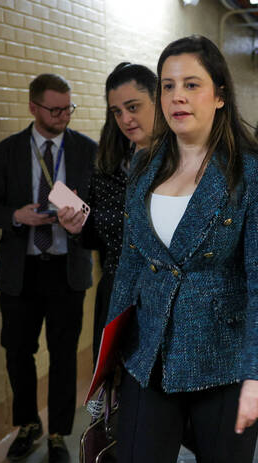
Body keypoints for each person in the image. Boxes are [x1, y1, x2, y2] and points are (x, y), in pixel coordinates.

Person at [106, 35, 258, 463]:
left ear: (220, 94)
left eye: (192, 84)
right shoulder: (146, 166)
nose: (178, 97)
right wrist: (109, 355)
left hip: (224, 362)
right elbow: (131, 264)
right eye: (168, 87)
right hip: (148, 357)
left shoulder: (254, 169)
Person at [0, 73, 96, 463]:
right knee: (18, 352)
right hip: (20, 271)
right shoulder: (8, 151)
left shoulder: (87, 152)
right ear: (33, 107)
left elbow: (101, 211)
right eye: (54, 109)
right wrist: (16, 215)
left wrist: (80, 216)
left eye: (68, 108)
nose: (63, 116)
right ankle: (27, 424)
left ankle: (59, 433)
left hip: (67, 270)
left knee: (64, 355)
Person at [58, 62, 157, 365]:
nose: (125, 119)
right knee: (117, 396)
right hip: (117, 289)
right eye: (116, 111)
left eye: (133, 107)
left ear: (159, 101)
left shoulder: (185, 160)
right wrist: (76, 226)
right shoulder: (110, 161)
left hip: (165, 293)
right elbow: (98, 235)